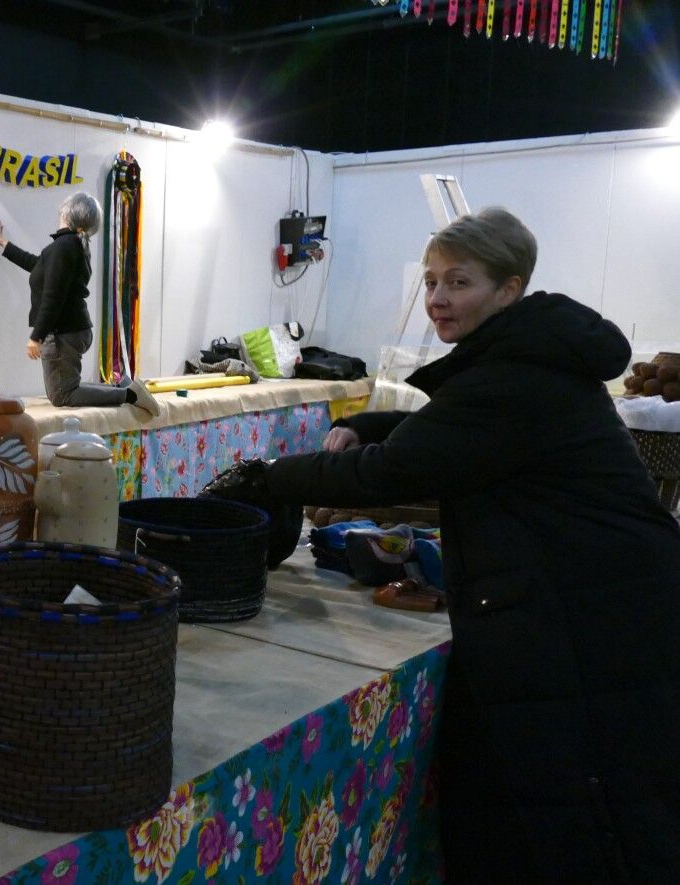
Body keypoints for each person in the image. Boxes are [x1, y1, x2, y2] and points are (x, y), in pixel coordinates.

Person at [205, 207, 680, 880]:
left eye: (459, 282)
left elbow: (395, 471)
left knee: (581, 810)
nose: (437, 298)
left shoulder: (513, 378)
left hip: (590, 615)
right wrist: (374, 423)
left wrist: (269, 475)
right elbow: (450, 429)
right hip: (599, 598)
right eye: (431, 281)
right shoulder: (528, 356)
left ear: (508, 290)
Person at [0, 193, 160, 417]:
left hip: (63, 333)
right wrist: (4, 244)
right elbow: (37, 265)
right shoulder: (70, 245)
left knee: (63, 395)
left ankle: (130, 395)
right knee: (65, 390)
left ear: (67, 213)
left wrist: (37, 336)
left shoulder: (64, 246)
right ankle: (125, 388)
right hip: (72, 330)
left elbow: (53, 295)